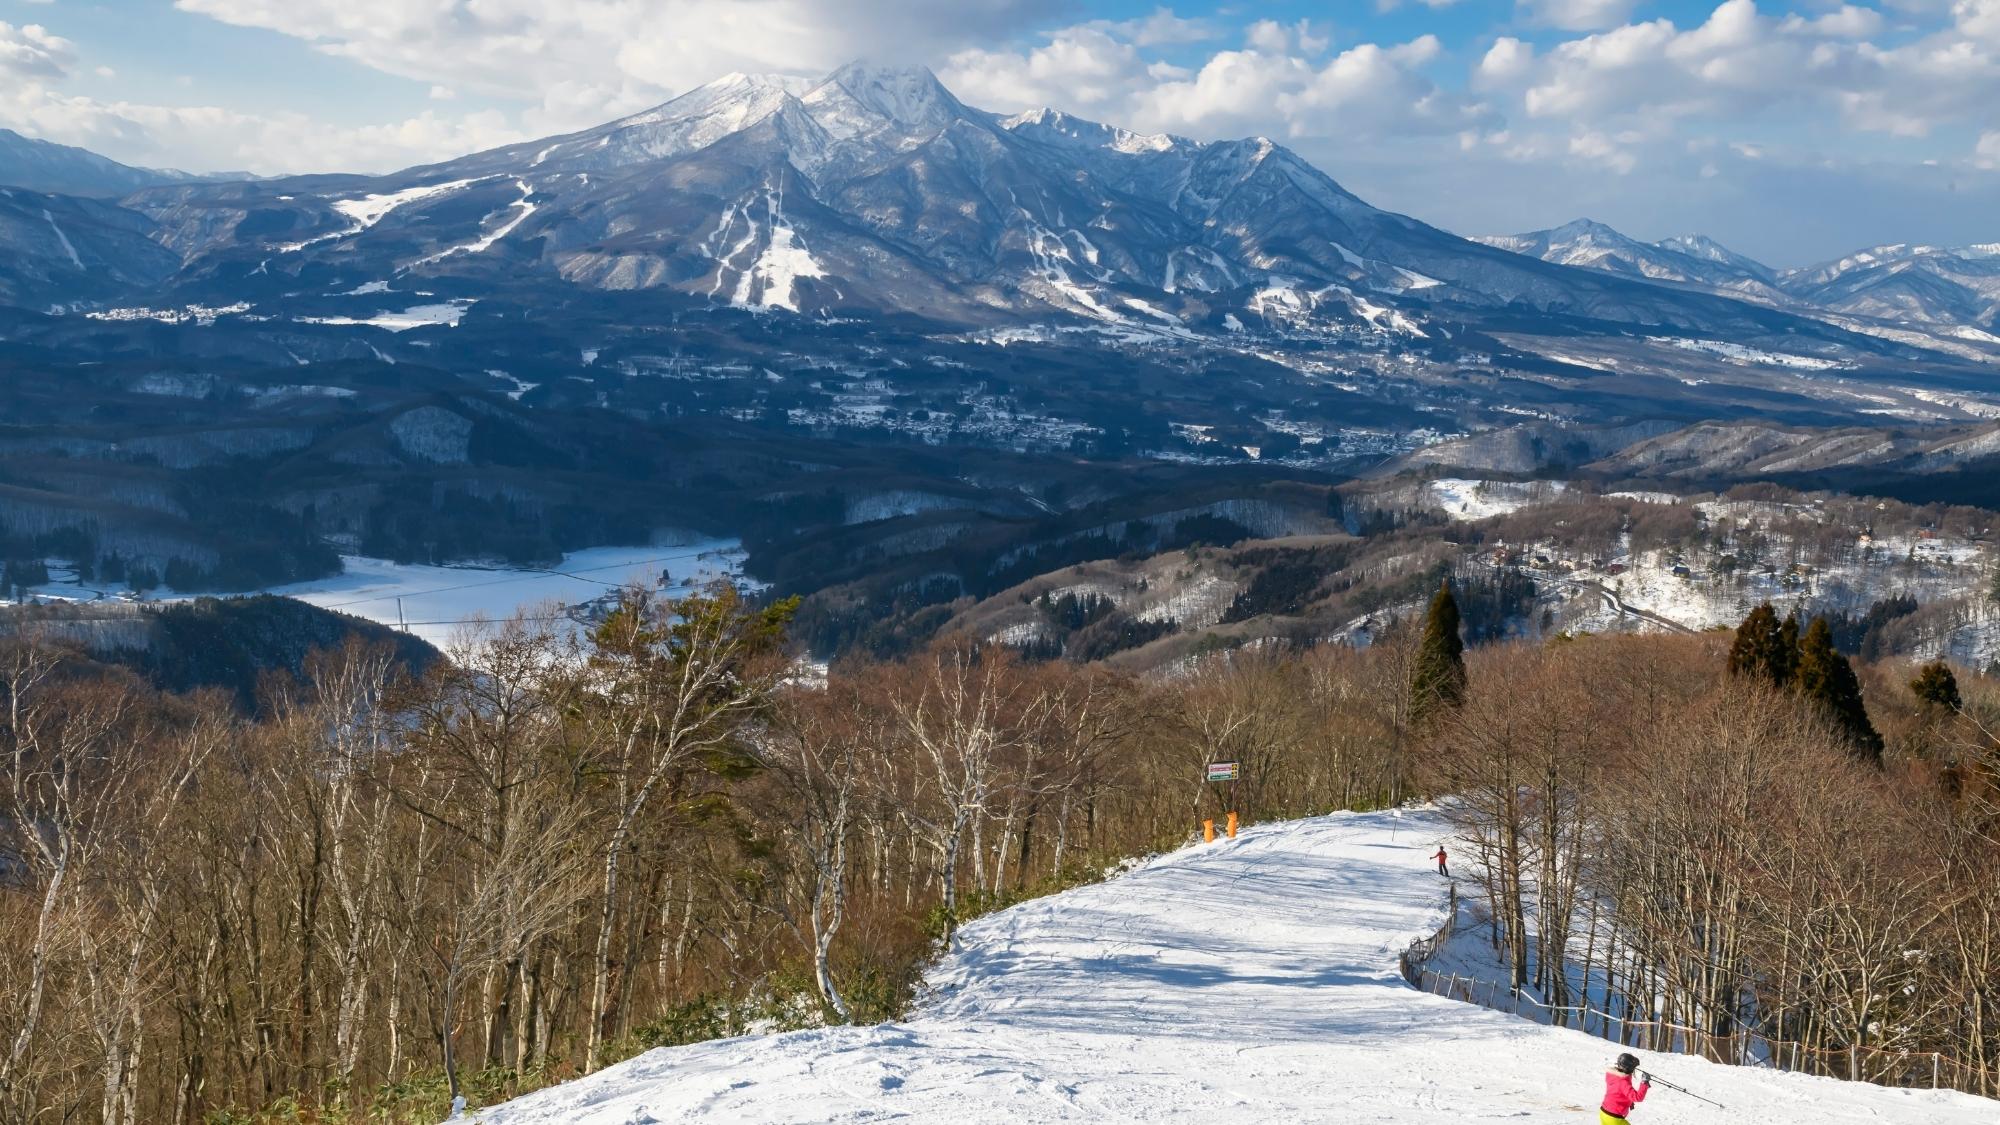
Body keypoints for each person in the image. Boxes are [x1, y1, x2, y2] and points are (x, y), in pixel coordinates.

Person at [1600, 1052, 1650, 1124]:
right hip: (1614, 1118)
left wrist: (1628, 1101)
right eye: (1633, 1068)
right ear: (1629, 1069)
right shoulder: (1623, 1082)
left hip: (1603, 1113)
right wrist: (1644, 1083)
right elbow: (1638, 1097)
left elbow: (1617, 1092)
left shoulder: (1612, 1075)